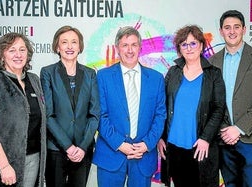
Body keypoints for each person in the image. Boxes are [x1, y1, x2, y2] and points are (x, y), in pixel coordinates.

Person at [92, 26, 166, 187]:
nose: (130, 50)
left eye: (134, 45)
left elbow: (160, 116)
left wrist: (147, 144)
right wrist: (120, 144)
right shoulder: (103, 77)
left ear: (140, 47)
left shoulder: (156, 78)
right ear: (117, 48)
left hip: (143, 156)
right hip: (111, 155)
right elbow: (99, 115)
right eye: (125, 45)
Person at [158, 25, 226, 187]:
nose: (189, 48)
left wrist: (205, 138)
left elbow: (218, 109)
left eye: (193, 43)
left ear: (201, 45)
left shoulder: (213, 74)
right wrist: (161, 137)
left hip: (200, 147)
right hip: (173, 146)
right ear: (179, 49)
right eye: (184, 44)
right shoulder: (173, 72)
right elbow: (162, 106)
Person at [40, 25, 100, 187]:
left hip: (83, 149)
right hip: (56, 149)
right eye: (64, 42)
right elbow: (48, 114)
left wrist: (81, 147)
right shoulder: (47, 73)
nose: (69, 46)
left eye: (74, 42)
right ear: (57, 47)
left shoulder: (90, 74)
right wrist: (68, 146)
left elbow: (94, 114)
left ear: (80, 46)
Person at [209, 10, 252, 187]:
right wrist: (225, 129)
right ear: (221, 31)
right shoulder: (212, 62)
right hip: (224, 140)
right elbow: (210, 102)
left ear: (244, 29)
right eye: (227, 27)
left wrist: (239, 128)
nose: (232, 31)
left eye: (236, 27)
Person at [0, 32, 47, 186]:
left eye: (22, 50)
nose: (18, 54)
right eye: (12, 50)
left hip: (34, 159)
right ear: (2, 55)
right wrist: (4, 166)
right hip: (3, 163)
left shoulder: (34, 80)